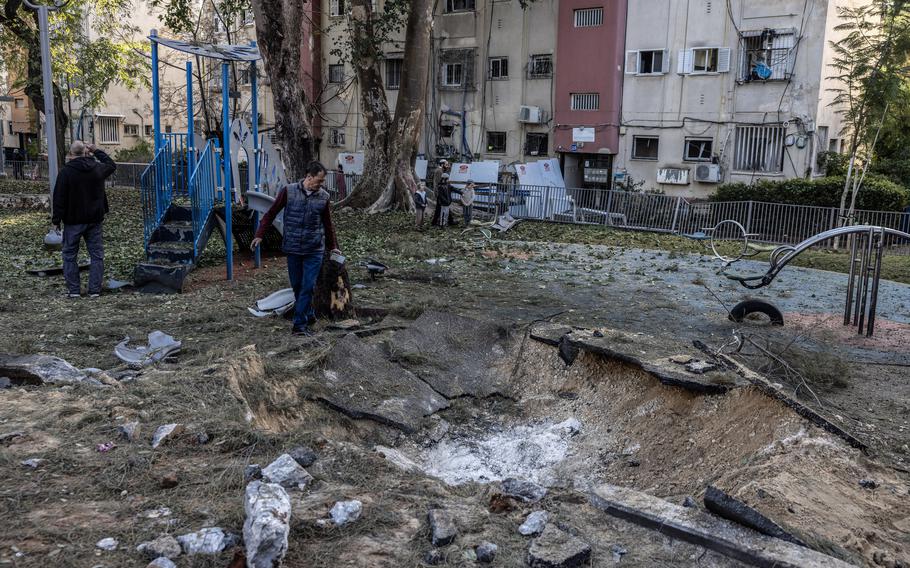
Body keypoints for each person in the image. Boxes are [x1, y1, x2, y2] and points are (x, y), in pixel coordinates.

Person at [251, 161, 342, 336]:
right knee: (298, 286)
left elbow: (328, 224)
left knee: (308, 286)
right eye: (319, 180)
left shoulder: (323, 197)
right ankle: (309, 314)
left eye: (322, 181)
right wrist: (259, 234)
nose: (321, 184)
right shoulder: (289, 191)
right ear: (309, 177)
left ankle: (299, 326)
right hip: (293, 247)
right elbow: (271, 213)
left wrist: (333, 247)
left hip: (314, 249)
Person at [51, 141, 117, 298]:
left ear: (71, 154)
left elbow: (59, 197)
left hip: (73, 220)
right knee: (96, 255)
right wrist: (96, 150)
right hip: (94, 219)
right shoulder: (97, 169)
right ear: (86, 152)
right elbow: (111, 164)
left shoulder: (66, 172)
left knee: (69, 255)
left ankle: (74, 290)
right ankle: (94, 290)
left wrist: (56, 220)